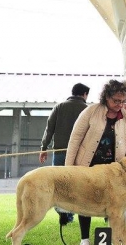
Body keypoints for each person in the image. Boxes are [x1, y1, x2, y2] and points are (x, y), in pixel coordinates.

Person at [65, 79, 126, 245]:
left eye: (123, 101)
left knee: (113, 204)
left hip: (114, 170)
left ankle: (109, 239)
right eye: (116, 101)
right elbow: (74, 140)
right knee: (85, 201)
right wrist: (68, 169)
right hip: (88, 166)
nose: (120, 104)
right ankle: (85, 239)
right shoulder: (90, 111)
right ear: (106, 97)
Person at [39, 83, 90, 224]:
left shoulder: (59, 107)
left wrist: (44, 148)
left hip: (60, 152)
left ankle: (62, 212)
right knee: (76, 185)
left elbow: (49, 129)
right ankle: (73, 212)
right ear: (85, 94)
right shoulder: (87, 109)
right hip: (79, 154)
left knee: (60, 185)